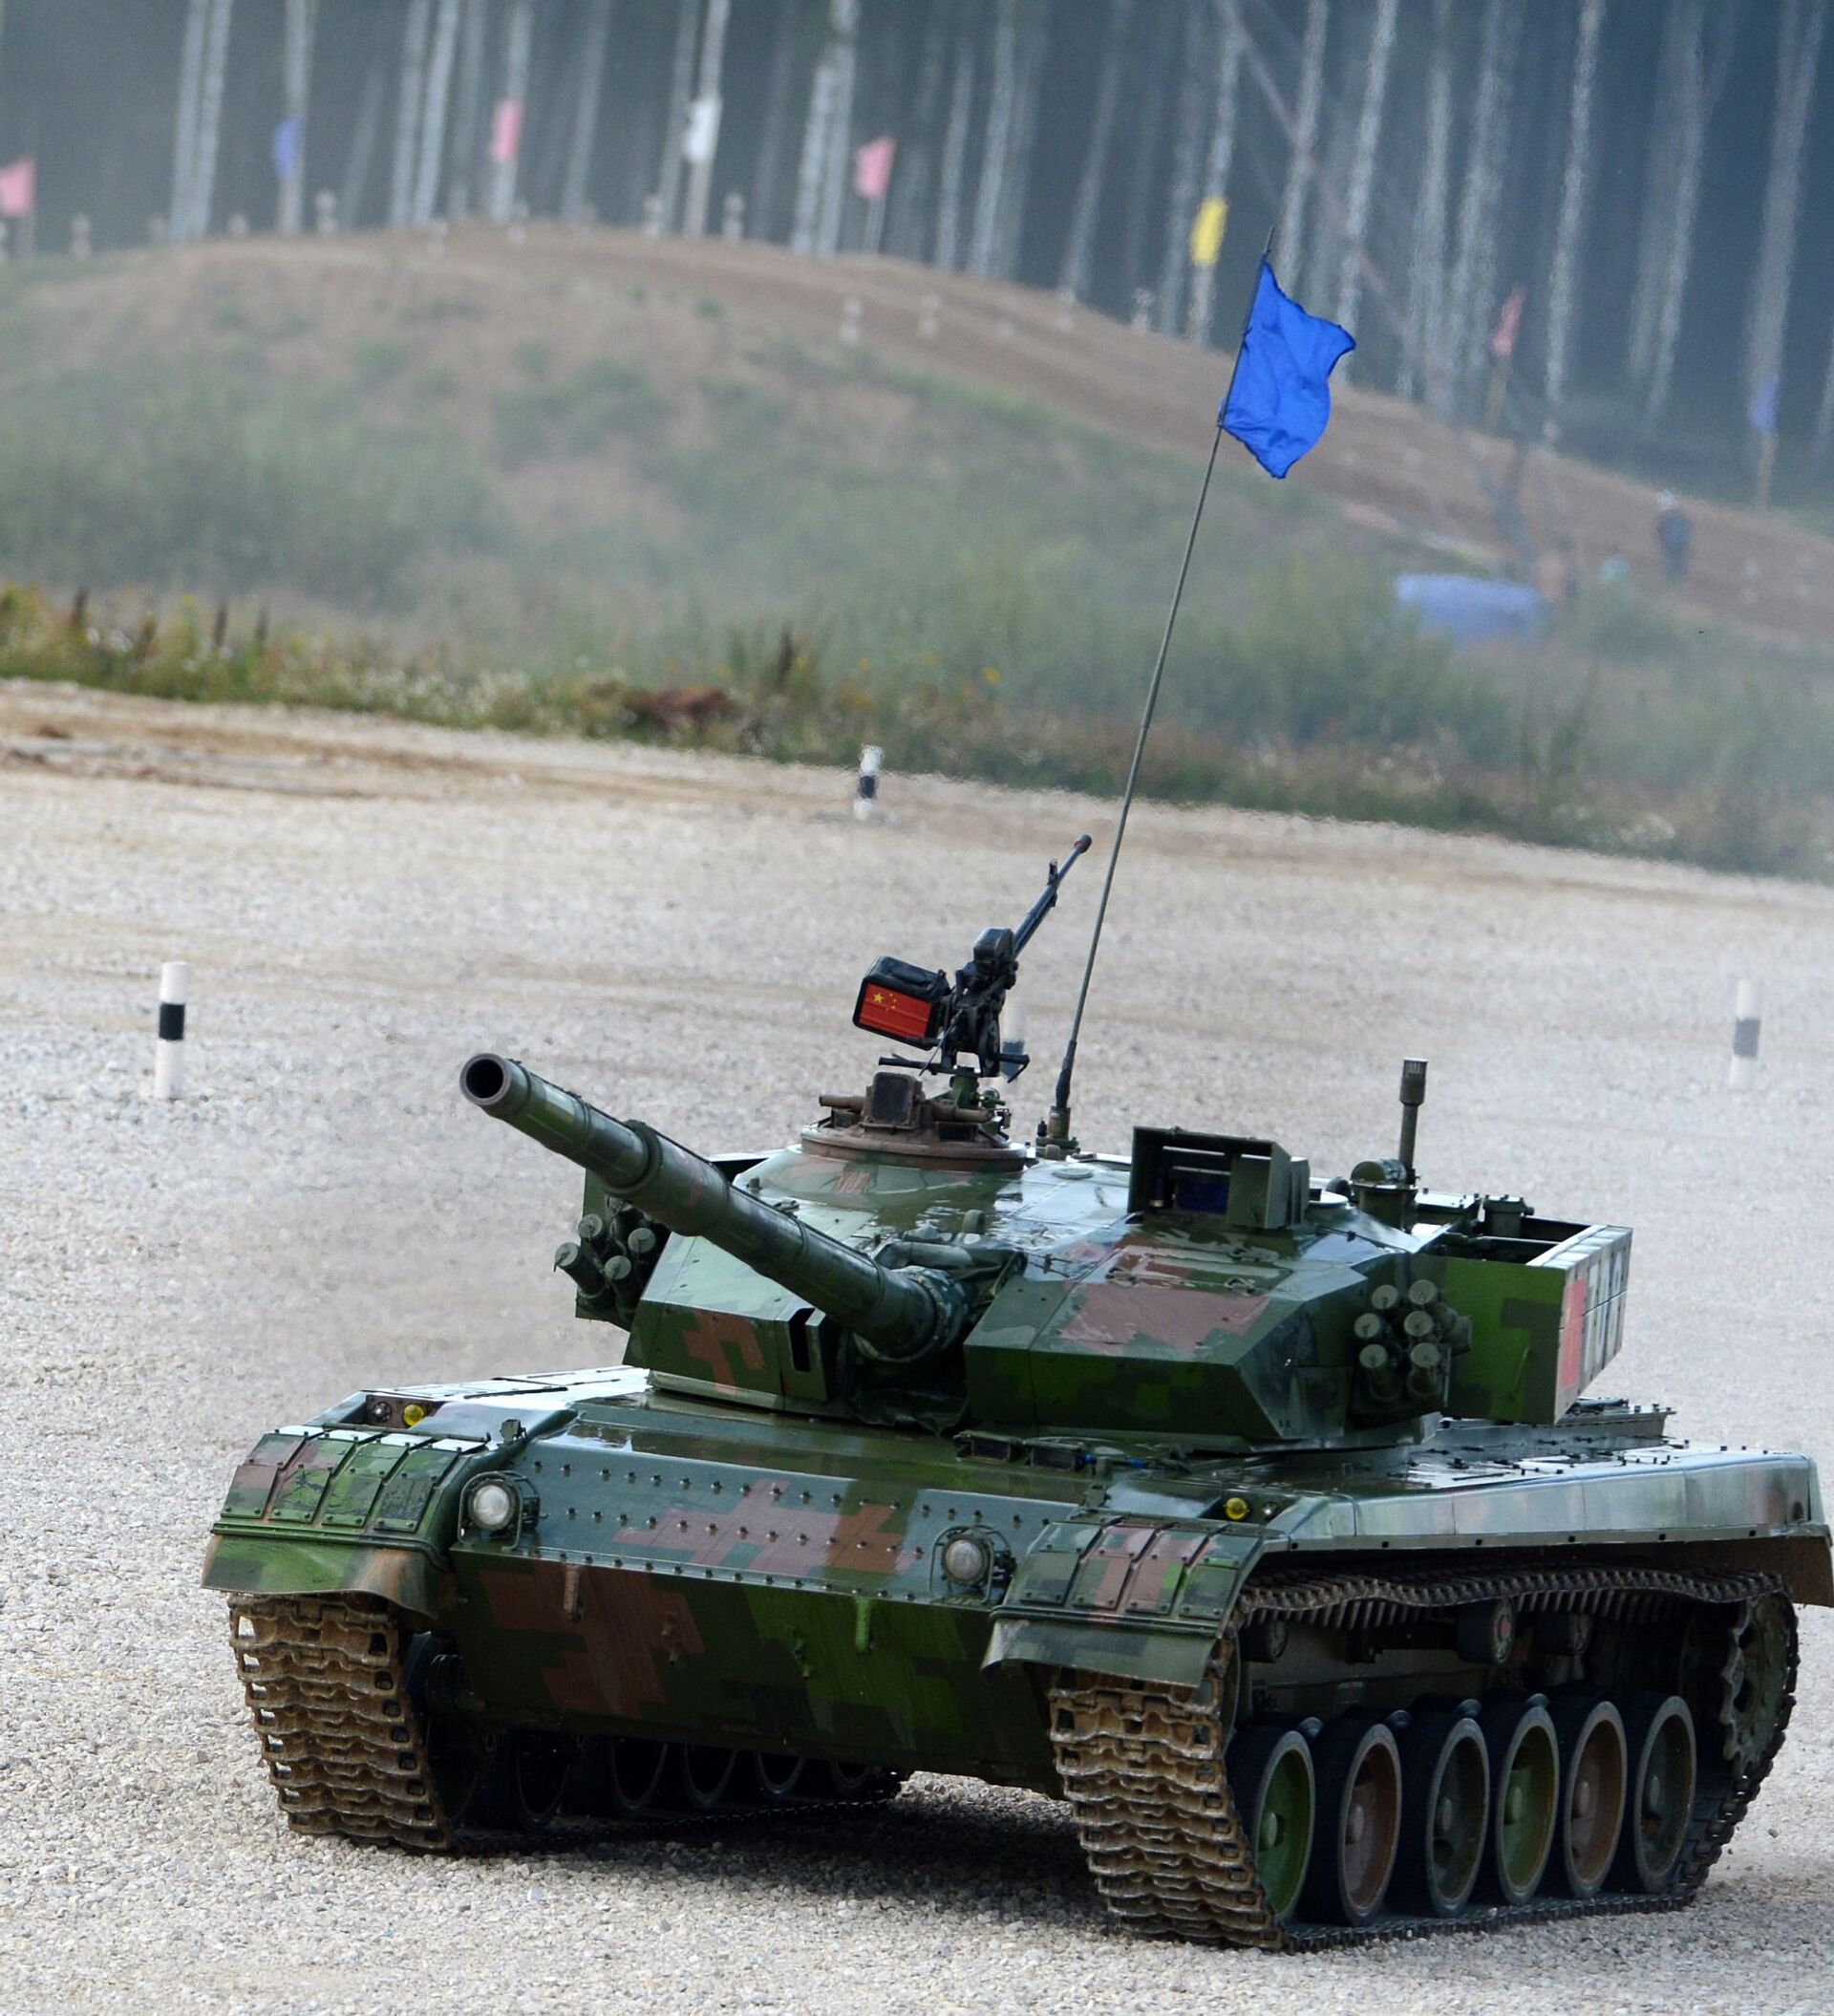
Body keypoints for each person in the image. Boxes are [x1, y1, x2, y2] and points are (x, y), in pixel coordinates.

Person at [1655, 492, 1694, 583]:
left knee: (1674, 562)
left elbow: (1660, 532)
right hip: (1675, 545)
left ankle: (1673, 579)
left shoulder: (1671, 521)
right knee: (1677, 562)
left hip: (1673, 546)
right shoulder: (1682, 520)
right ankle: (1677, 579)